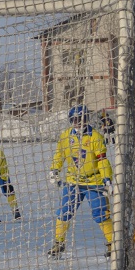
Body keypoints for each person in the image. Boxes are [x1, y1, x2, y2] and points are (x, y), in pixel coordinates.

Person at [47, 105, 114, 259]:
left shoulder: (95, 137)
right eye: (74, 119)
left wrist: (107, 180)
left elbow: (102, 160)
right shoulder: (65, 136)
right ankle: (58, 243)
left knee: (101, 213)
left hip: (94, 182)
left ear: (87, 119)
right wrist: (54, 170)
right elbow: (59, 155)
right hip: (73, 182)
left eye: (81, 119)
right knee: (64, 212)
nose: (78, 122)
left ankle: (112, 243)